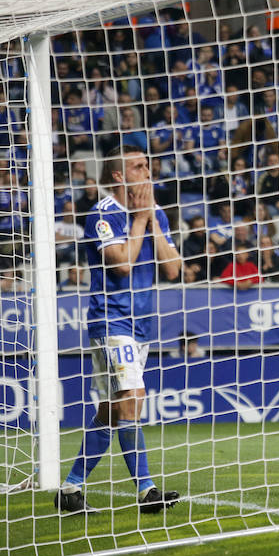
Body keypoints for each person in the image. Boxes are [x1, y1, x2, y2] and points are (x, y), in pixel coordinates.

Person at [56, 146, 181, 513]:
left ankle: (70, 490)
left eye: (148, 165)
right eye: (139, 166)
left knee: (114, 409)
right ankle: (146, 491)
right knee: (133, 396)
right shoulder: (101, 215)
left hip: (141, 323)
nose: (147, 171)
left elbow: (172, 269)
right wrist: (141, 219)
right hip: (111, 320)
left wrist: (151, 220)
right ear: (118, 176)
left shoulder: (155, 213)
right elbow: (122, 265)